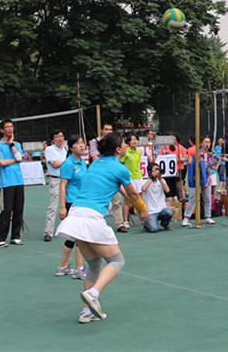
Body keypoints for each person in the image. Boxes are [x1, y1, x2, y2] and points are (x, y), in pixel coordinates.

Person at [55, 132, 149, 323]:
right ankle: (94, 293)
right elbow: (132, 193)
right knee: (117, 261)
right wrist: (143, 210)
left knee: (94, 265)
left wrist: (131, 200)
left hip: (76, 215)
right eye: (124, 143)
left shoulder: (96, 163)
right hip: (91, 217)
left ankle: (86, 312)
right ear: (118, 149)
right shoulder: (120, 169)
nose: (127, 145)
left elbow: (121, 189)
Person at [57, 134, 87, 279]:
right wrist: (62, 207)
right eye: (78, 143)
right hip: (72, 204)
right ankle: (79, 269)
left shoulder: (83, 162)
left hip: (81, 202)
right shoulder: (68, 164)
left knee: (72, 237)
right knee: (80, 236)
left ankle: (62, 267)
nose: (82, 145)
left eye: (82, 142)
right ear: (70, 147)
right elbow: (62, 186)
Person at [0, 119, 25, 248]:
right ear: (2, 130)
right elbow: (2, 162)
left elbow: (20, 158)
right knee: (6, 211)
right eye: (7, 127)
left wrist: (12, 146)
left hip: (19, 181)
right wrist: (15, 159)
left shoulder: (17, 145)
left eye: (11, 127)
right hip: (6, 183)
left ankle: (15, 236)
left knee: (19, 210)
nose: (10, 129)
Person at [89, 123, 126, 233]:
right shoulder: (95, 142)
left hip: (112, 174)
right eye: (106, 129)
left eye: (110, 129)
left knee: (117, 201)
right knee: (100, 201)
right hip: (100, 176)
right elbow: (95, 158)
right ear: (102, 130)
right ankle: (99, 223)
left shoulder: (115, 142)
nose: (108, 131)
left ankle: (119, 224)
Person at [182, 136, 216, 225]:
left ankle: (208, 217)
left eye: (208, 142)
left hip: (207, 180)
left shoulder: (210, 155)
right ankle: (186, 218)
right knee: (193, 198)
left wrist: (207, 180)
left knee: (208, 198)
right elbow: (194, 167)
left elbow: (210, 168)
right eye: (205, 142)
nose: (207, 144)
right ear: (201, 143)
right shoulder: (197, 154)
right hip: (197, 180)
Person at [43, 129, 67, 242]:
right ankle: (48, 232)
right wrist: (67, 162)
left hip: (66, 180)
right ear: (53, 140)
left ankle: (65, 230)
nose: (60, 138)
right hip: (56, 179)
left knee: (67, 204)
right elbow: (55, 164)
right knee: (53, 206)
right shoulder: (49, 150)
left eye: (61, 136)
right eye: (57, 137)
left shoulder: (65, 149)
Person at [120, 133, 143, 230]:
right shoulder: (126, 151)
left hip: (139, 177)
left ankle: (141, 218)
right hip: (129, 178)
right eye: (132, 140)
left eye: (136, 139)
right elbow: (120, 162)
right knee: (127, 200)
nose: (134, 141)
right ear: (128, 142)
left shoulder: (138, 152)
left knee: (139, 198)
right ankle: (125, 221)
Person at [141, 162, 173, 232]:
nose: (157, 171)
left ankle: (164, 224)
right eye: (155, 170)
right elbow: (143, 189)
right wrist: (151, 177)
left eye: (158, 169)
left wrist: (160, 178)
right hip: (150, 211)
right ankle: (146, 223)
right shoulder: (145, 181)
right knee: (154, 229)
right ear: (150, 172)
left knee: (169, 213)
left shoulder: (161, 180)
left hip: (161, 209)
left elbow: (167, 190)